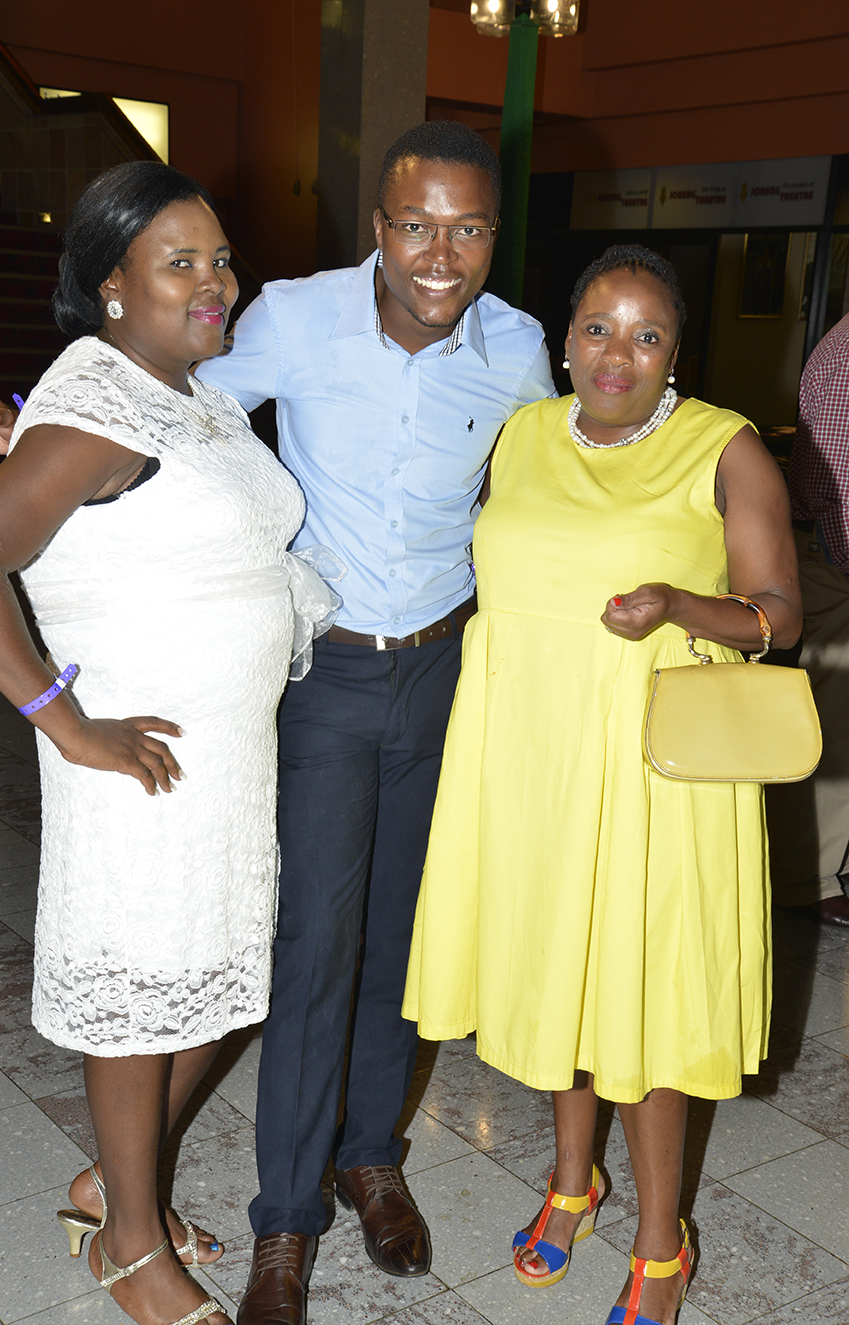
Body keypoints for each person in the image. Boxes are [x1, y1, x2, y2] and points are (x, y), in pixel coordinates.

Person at [196, 120, 555, 1325]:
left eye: (467, 228)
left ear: (493, 234)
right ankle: (284, 1220)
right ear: (379, 227)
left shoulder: (518, 347)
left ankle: (368, 1156)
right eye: (415, 225)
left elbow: (554, 479)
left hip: (445, 670)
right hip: (328, 674)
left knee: (403, 936)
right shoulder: (295, 317)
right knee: (315, 946)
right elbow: (191, 419)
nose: (439, 254)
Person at [0, 161, 336, 1325]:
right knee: (146, 999)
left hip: (219, 763)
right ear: (111, 284)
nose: (214, 280)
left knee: (218, 988)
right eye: (180, 262)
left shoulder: (188, 391)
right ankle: (130, 1242)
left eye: (219, 257)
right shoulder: (100, 406)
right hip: (142, 767)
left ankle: (111, 1185)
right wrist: (62, 718)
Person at [403, 245, 801, 1325]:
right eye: (596, 327)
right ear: (565, 337)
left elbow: (777, 614)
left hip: (653, 769)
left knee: (643, 999)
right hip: (530, 755)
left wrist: (677, 601)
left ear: (676, 350)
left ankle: (661, 1243)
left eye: (645, 334)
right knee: (558, 974)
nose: (615, 354)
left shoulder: (722, 447)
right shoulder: (523, 433)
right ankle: (571, 1181)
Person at [767, 311, 849, 926]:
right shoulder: (844, 355)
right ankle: (806, 879)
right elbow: (837, 492)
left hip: (832, 552)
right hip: (834, 559)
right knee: (831, 724)